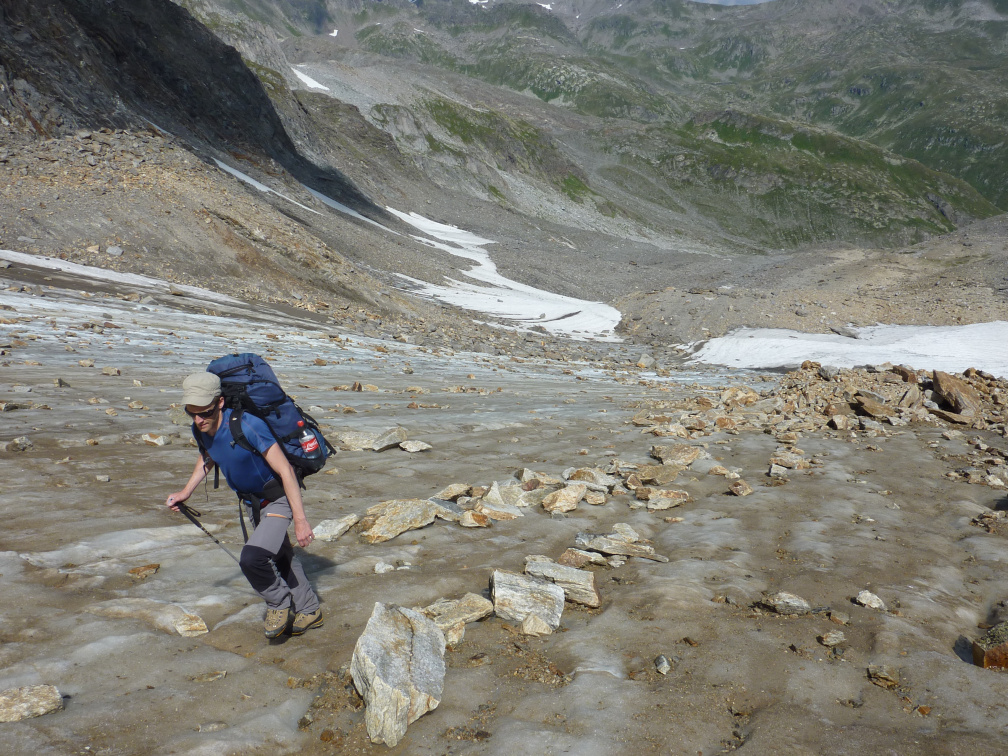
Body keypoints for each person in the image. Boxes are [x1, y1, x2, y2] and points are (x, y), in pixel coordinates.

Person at [165, 372, 323, 639]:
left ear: (220, 402)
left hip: (277, 498)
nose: (198, 420)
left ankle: (278, 603)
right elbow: (208, 456)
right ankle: (309, 610)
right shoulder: (200, 428)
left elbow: (285, 471)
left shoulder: (248, 425)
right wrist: (186, 492)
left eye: (205, 412)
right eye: (192, 413)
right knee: (281, 556)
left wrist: (300, 520)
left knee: (253, 558)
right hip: (251, 502)